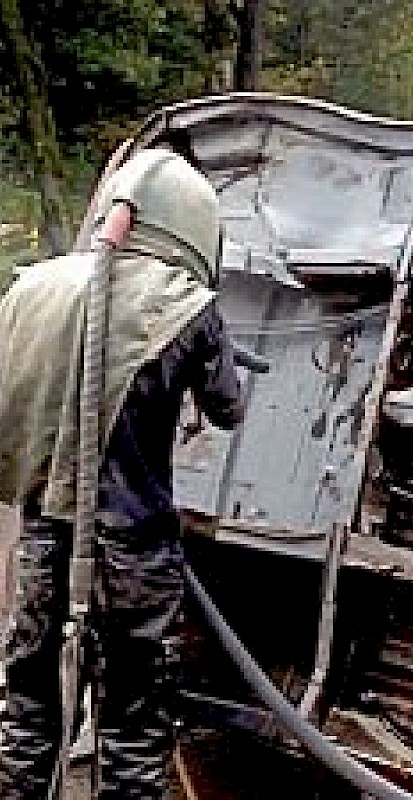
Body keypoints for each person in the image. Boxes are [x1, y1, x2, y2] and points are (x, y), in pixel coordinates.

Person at [0, 149, 245, 798]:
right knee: (133, 725)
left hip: (42, 543)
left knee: (27, 712)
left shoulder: (31, 288)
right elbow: (228, 409)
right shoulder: (188, 305)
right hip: (135, 555)